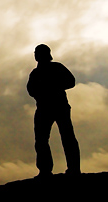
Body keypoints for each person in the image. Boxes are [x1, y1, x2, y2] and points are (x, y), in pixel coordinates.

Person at [26, 44, 81, 178]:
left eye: (38, 52)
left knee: (67, 137)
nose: (36, 55)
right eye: (36, 52)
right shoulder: (35, 73)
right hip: (44, 108)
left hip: (59, 106)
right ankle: (45, 170)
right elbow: (30, 90)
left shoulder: (57, 67)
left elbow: (71, 81)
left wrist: (52, 87)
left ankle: (73, 168)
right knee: (41, 140)